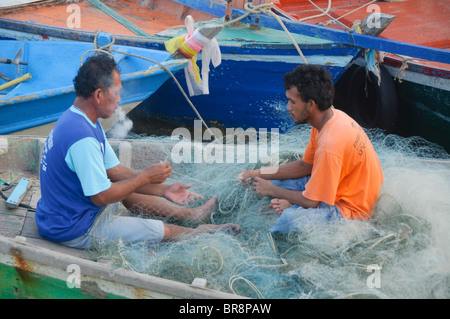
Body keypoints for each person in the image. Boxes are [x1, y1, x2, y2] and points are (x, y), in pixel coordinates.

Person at [35, 54, 240, 249]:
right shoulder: (83, 139)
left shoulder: (79, 119)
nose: (119, 101)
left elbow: (114, 170)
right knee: (160, 230)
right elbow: (101, 197)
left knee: (123, 185)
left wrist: (164, 190)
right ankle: (198, 232)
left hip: (62, 213)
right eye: (116, 93)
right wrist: (144, 176)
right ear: (99, 95)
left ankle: (190, 214)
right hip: (74, 229)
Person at [238, 64, 383, 233]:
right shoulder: (329, 119)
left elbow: (311, 201)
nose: (288, 107)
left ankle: (290, 208)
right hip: (340, 186)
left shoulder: (330, 145)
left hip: (352, 209)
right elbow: (304, 166)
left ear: (311, 105)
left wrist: (272, 190)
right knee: (275, 180)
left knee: (288, 220)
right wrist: (256, 173)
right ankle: (289, 203)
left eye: (292, 102)